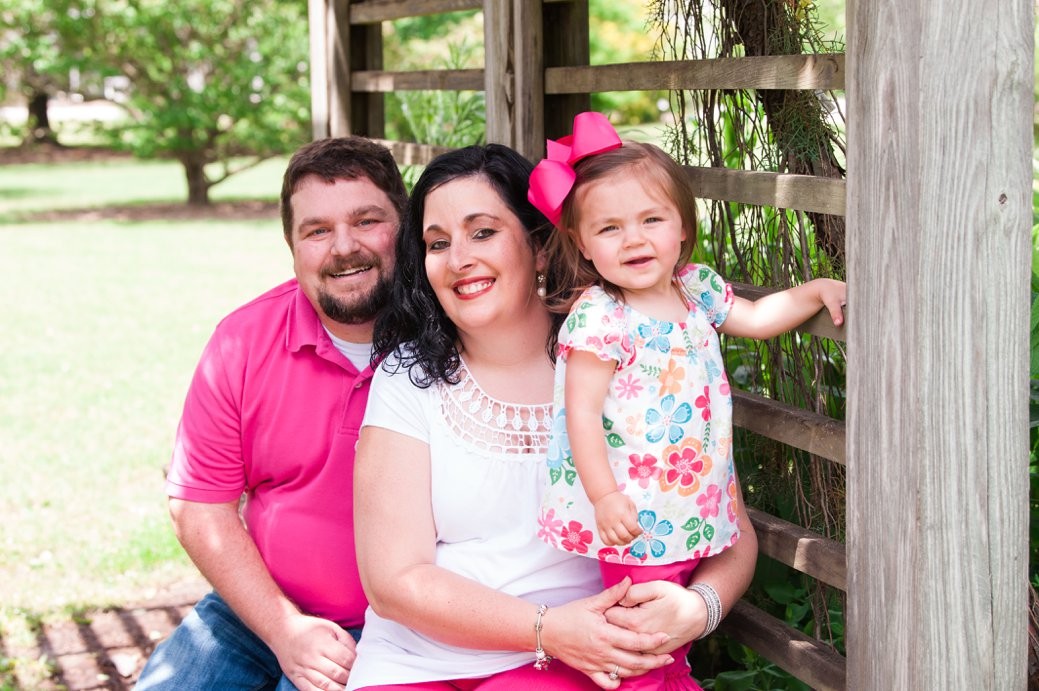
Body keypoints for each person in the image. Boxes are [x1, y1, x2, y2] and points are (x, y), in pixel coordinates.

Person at [349, 143, 759, 691]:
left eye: (483, 232)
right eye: (437, 243)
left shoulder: (626, 351)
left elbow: (733, 530)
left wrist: (700, 607)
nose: (458, 259)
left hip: (582, 659)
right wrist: (546, 629)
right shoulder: (408, 377)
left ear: (541, 247)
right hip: (417, 662)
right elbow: (393, 582)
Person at [526, 111, 847, 688]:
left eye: (652, 219)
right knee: (644, 634)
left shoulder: (695, 290)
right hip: (637, 513)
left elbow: (753, 316)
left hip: (696, 503)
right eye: (610, 228)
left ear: (681, 227)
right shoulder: (602, 316)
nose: (635, 239)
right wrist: (603, 497)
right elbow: (580, 412)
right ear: (581, 242)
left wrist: (812, 292)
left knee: (670, 635)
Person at [135, 136, 408, 691]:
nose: (344, 247)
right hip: (255, 611)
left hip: (400, 629)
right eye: (316, 231)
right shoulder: (242, 341)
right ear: (291, 244)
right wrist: (284, 629)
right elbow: (198, 506)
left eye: (366, 220)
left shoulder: (449, 339)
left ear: (403, 226)